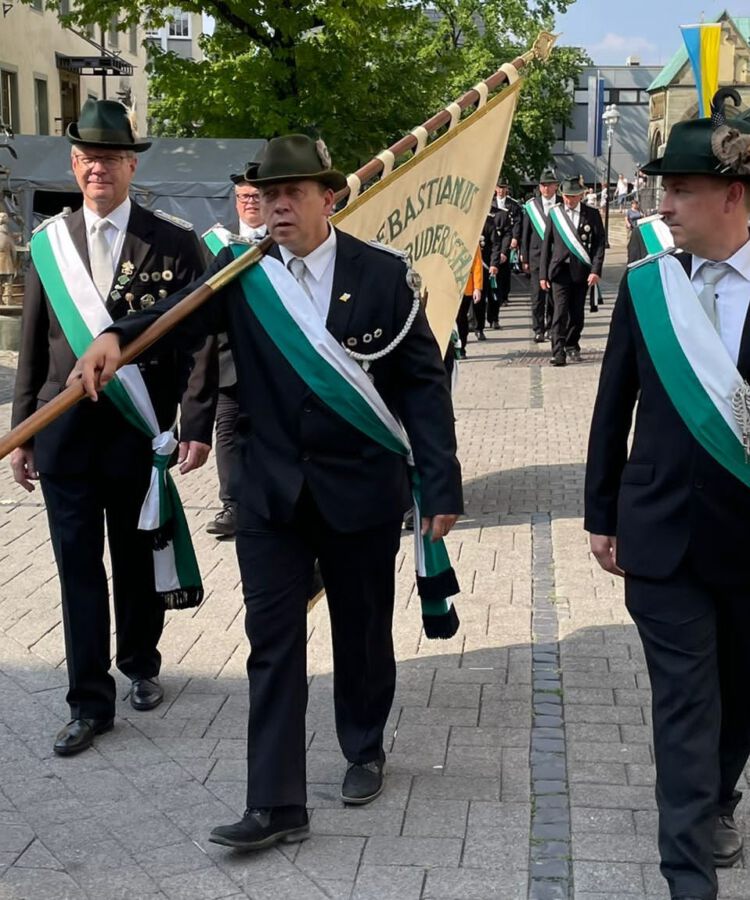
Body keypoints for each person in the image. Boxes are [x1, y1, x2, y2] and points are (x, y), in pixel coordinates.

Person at [72, 134, 463, 849]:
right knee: (271, 643)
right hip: (269, 491)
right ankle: (276, 802)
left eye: (292, 193)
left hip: (359, 488)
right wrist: (114, 336)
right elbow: (178, 315)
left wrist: (441, 481)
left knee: (361, 630)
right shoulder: (242, 273)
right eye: (269, 194)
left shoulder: (383, 275)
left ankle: (363, 746)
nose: (277, 206)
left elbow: (421, 385)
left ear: (327, 197)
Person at [9, 99, 216, 756]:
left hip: (137, 429)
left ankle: (141, 663)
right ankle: (88, 702)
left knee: (134, 557)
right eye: (86, 158)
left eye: (109, 157)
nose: (97, 168)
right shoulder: (49, 244)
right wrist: (22, 432)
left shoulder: (173, 240)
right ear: (74, 165)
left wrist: (196, 421)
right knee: (76, 569)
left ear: (132, 165)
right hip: (64, 435)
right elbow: (33, 342)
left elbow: (199, 338)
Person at [585, 89, 750, 900]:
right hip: (662, 533)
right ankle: (688, 876)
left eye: (681, 190)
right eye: (662, 189)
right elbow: (612, 402)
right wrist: (600, 512)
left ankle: (717, 797)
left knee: (737, 695)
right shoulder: (649, 286)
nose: (664, 205)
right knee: (684, 702)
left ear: (734, 195)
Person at [205, 166, 267, 539]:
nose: (249, 203)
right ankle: (232, 505)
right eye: (243, 197)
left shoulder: (282, 240)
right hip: (229, 360)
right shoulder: (216, 243)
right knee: (226, 432)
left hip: (273, 360)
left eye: (256, 197)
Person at [539, 176, 605, 367]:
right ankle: (558, 352)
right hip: (559, 272)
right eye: (566, 196)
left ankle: (571, 343)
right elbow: (546, 245)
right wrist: (543, 274)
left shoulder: (591, 214)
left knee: (577, 315)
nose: (569, 200)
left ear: (581, 195)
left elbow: (599, 244)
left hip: (581, 271)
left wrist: (595, 270)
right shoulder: (555, 214)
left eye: (573, 196)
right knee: (559, 313)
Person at [520, 168, 559, 343]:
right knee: (537, 296)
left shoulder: (561, 204)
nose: (546, 188)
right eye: (543, 185)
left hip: (556, 257)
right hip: (536, 256)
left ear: (556, 186)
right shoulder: (532, 206)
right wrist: (524, 257)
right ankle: (538, 329)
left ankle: (551, 327)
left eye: (549, 185)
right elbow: (525, 233)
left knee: (554, 296)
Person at [488, 177, 522, 321]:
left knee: (504, 270)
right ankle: (495, 296)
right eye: (499, 187)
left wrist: (515, 238)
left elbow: (517, 223)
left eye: (503, 188)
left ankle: (504, 295)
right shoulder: (490, 203)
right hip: (492, 239)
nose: (501, 190)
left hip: (505, 240)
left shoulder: (513, 205)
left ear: (507, 189)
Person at [455, 245, 483, 356]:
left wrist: (477, 288)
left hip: (465, 286)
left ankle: (461, 347)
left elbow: (477, 263)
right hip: (448, 288)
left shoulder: (472, 240)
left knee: (461, 318)